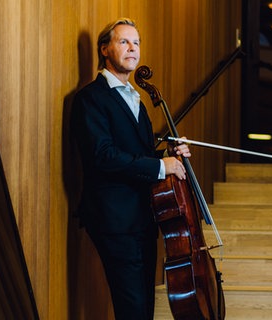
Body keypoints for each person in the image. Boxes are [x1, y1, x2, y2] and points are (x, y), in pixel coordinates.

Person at [71, 18, 191, 320]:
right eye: (124, 41)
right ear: (105, 49)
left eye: (136, 43)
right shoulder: (91, 98)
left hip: (143, 216)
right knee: (133, 310)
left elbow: (140, 156)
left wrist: (169, 155)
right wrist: (160, 166)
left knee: (143, 309)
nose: (132, 48)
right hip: (115, 218)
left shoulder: (135, 98)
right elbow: (104, 156)